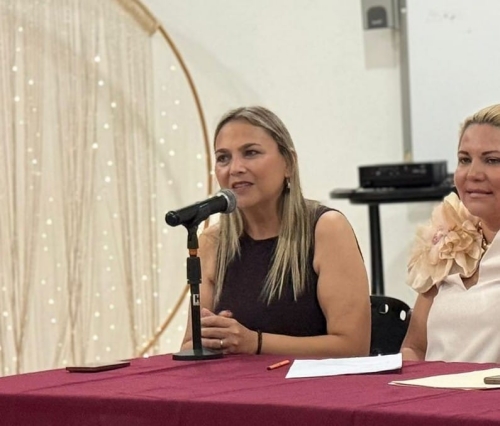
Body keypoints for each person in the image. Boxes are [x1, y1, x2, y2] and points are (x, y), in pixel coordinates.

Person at [180, 106, 371, 357]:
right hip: (236, 381)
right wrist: (214, 339)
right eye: (223, 158)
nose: (235, 168)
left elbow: (353, 348)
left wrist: (255, 343)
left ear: (288, 163)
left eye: (250, 153)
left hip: (314, 382)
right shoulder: (212, 241)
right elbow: (189, 347)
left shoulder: (326, 229)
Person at [402, 103, 500, 363]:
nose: (473, 174)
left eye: (492, 160)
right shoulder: (449, 235)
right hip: (430, 389)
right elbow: (414, 349)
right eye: (464, 159)